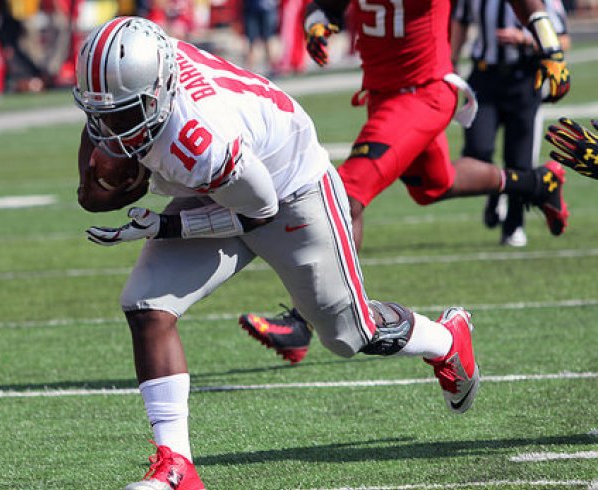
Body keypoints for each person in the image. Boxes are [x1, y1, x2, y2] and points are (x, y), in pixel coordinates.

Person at [76, 17, 481, 490]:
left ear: (161, 90)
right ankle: (176, 466)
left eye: (126, 115)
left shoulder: (202, 138)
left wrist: (166, 224)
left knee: (351, 334)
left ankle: (448, 340)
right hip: (223, 185)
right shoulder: (130, 87)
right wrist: (98, 183)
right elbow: (95, 174)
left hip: (289, 190)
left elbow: (256, 215)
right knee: (147, 304)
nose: (113, 129)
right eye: (105, 113)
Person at [241, 0, 572, 361]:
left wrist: (550, 45)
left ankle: (302, 322)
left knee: (345, 194)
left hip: (423, 91)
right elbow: (327, 5)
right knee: (435, 184)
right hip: (383, 93)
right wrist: (319, 23)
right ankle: (537, 184)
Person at [451, 0, 570, 247]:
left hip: (525, 79)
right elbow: (460, 21)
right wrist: (452, 60)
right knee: (477, 151)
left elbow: (563, 39)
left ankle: (514, 225)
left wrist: (526, 39)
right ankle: (495, 190)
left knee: (520, 159)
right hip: (484, 77)